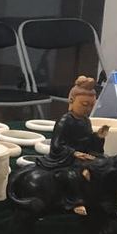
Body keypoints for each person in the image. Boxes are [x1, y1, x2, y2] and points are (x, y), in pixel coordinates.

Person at [34, 75, 109, 216]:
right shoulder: (65, 120)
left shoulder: (86, 121)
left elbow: (89, 142)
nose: (88, 109)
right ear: (72, 101)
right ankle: (75, 202)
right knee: (72, 175)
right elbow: (56, 145)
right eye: (84, 105)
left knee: (105, 162)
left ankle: (101, 196)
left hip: (83, 154)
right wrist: (74, 153)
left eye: (91, 105)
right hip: (66, 157)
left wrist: (98, 137)